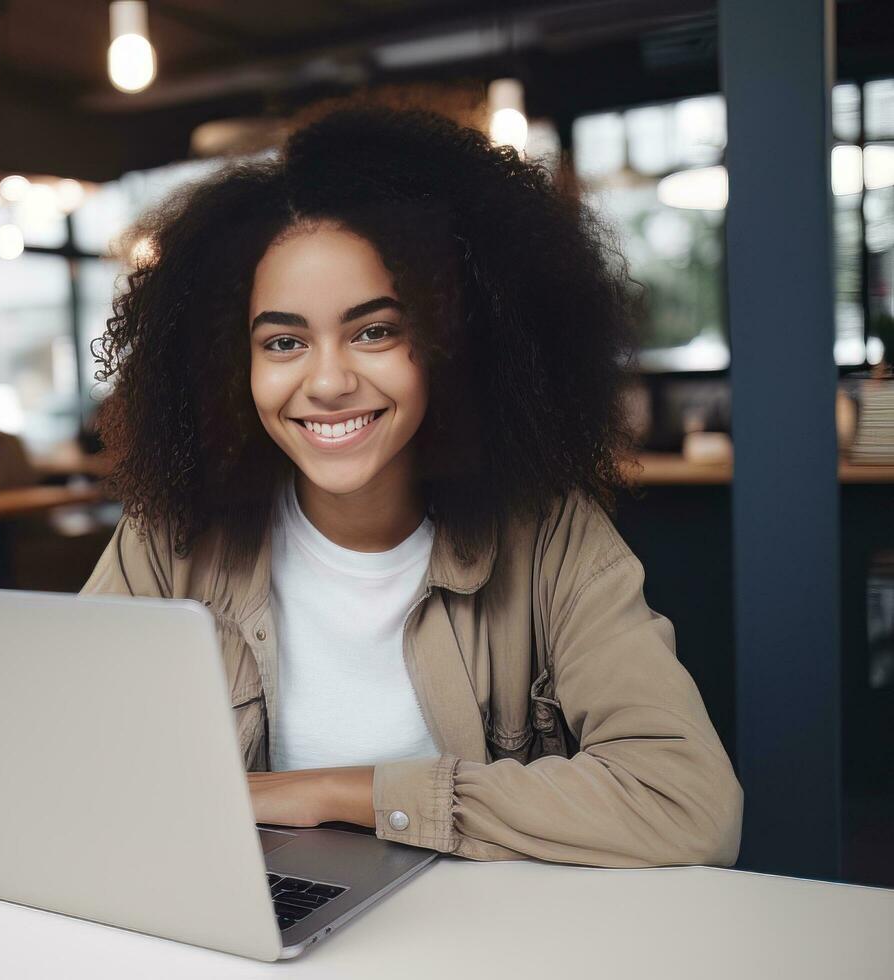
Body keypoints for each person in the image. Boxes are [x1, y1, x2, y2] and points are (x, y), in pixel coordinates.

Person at [81, 101, 742, 868]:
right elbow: (61, 755)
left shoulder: (552, 537)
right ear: (237, 369)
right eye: (284, 341)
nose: (327, 381)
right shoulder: (170, 538)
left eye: (374, 331)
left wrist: (331, 793)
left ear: (447, 343)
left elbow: (686, 804)